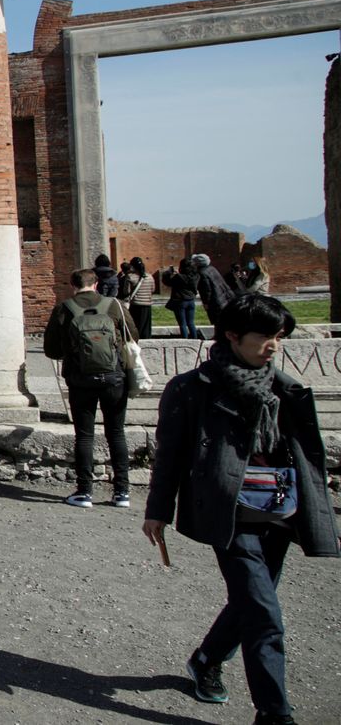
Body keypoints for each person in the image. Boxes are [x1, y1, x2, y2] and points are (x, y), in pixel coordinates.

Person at [144, 294, 339, 725]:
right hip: (228, 512)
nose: (274, 345)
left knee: (253, 601)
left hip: (281, 508)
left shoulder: (283, 388)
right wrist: (157, 509)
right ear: (232, 336)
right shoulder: (191, 389)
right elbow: (170, 455)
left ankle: (208, 658)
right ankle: (274, 714)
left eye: (279, 337)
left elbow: (306, 455)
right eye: (265, 336)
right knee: (265, 614)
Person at [43, 268, 138, 509]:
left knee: (84, 435)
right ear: (95, 284)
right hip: (114, 377)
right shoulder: (114, 305)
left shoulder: (64, 309)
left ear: (73, 285)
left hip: (81, 380)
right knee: (116, 432)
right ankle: (122, 492)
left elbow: (51, 350)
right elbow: (133, 335)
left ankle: (85, 492)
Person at [161, 256, 203, 340]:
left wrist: (168, 273)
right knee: (191, 323)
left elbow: (168, 282)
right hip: (191, 300)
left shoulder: (179, 277)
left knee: (182, 324)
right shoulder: (196, 276)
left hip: (180, 301)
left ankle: (185, 339)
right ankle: (195, 339)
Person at [194, 253, 236, 326]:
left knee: (217, 320)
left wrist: (206, 302)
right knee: (223, 319)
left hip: (215, 299)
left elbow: (206, 290)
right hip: (223, 296)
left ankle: (218, 335)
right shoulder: (212, 268)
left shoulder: (202, 273)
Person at [126, 257, 155, 339]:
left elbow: (126, 291)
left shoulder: (130, 277)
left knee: (136, 325)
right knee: (146, 326)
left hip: (136, 304)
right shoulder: (149, 277)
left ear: (132, 266)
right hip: (147, 304)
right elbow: (153, 289)